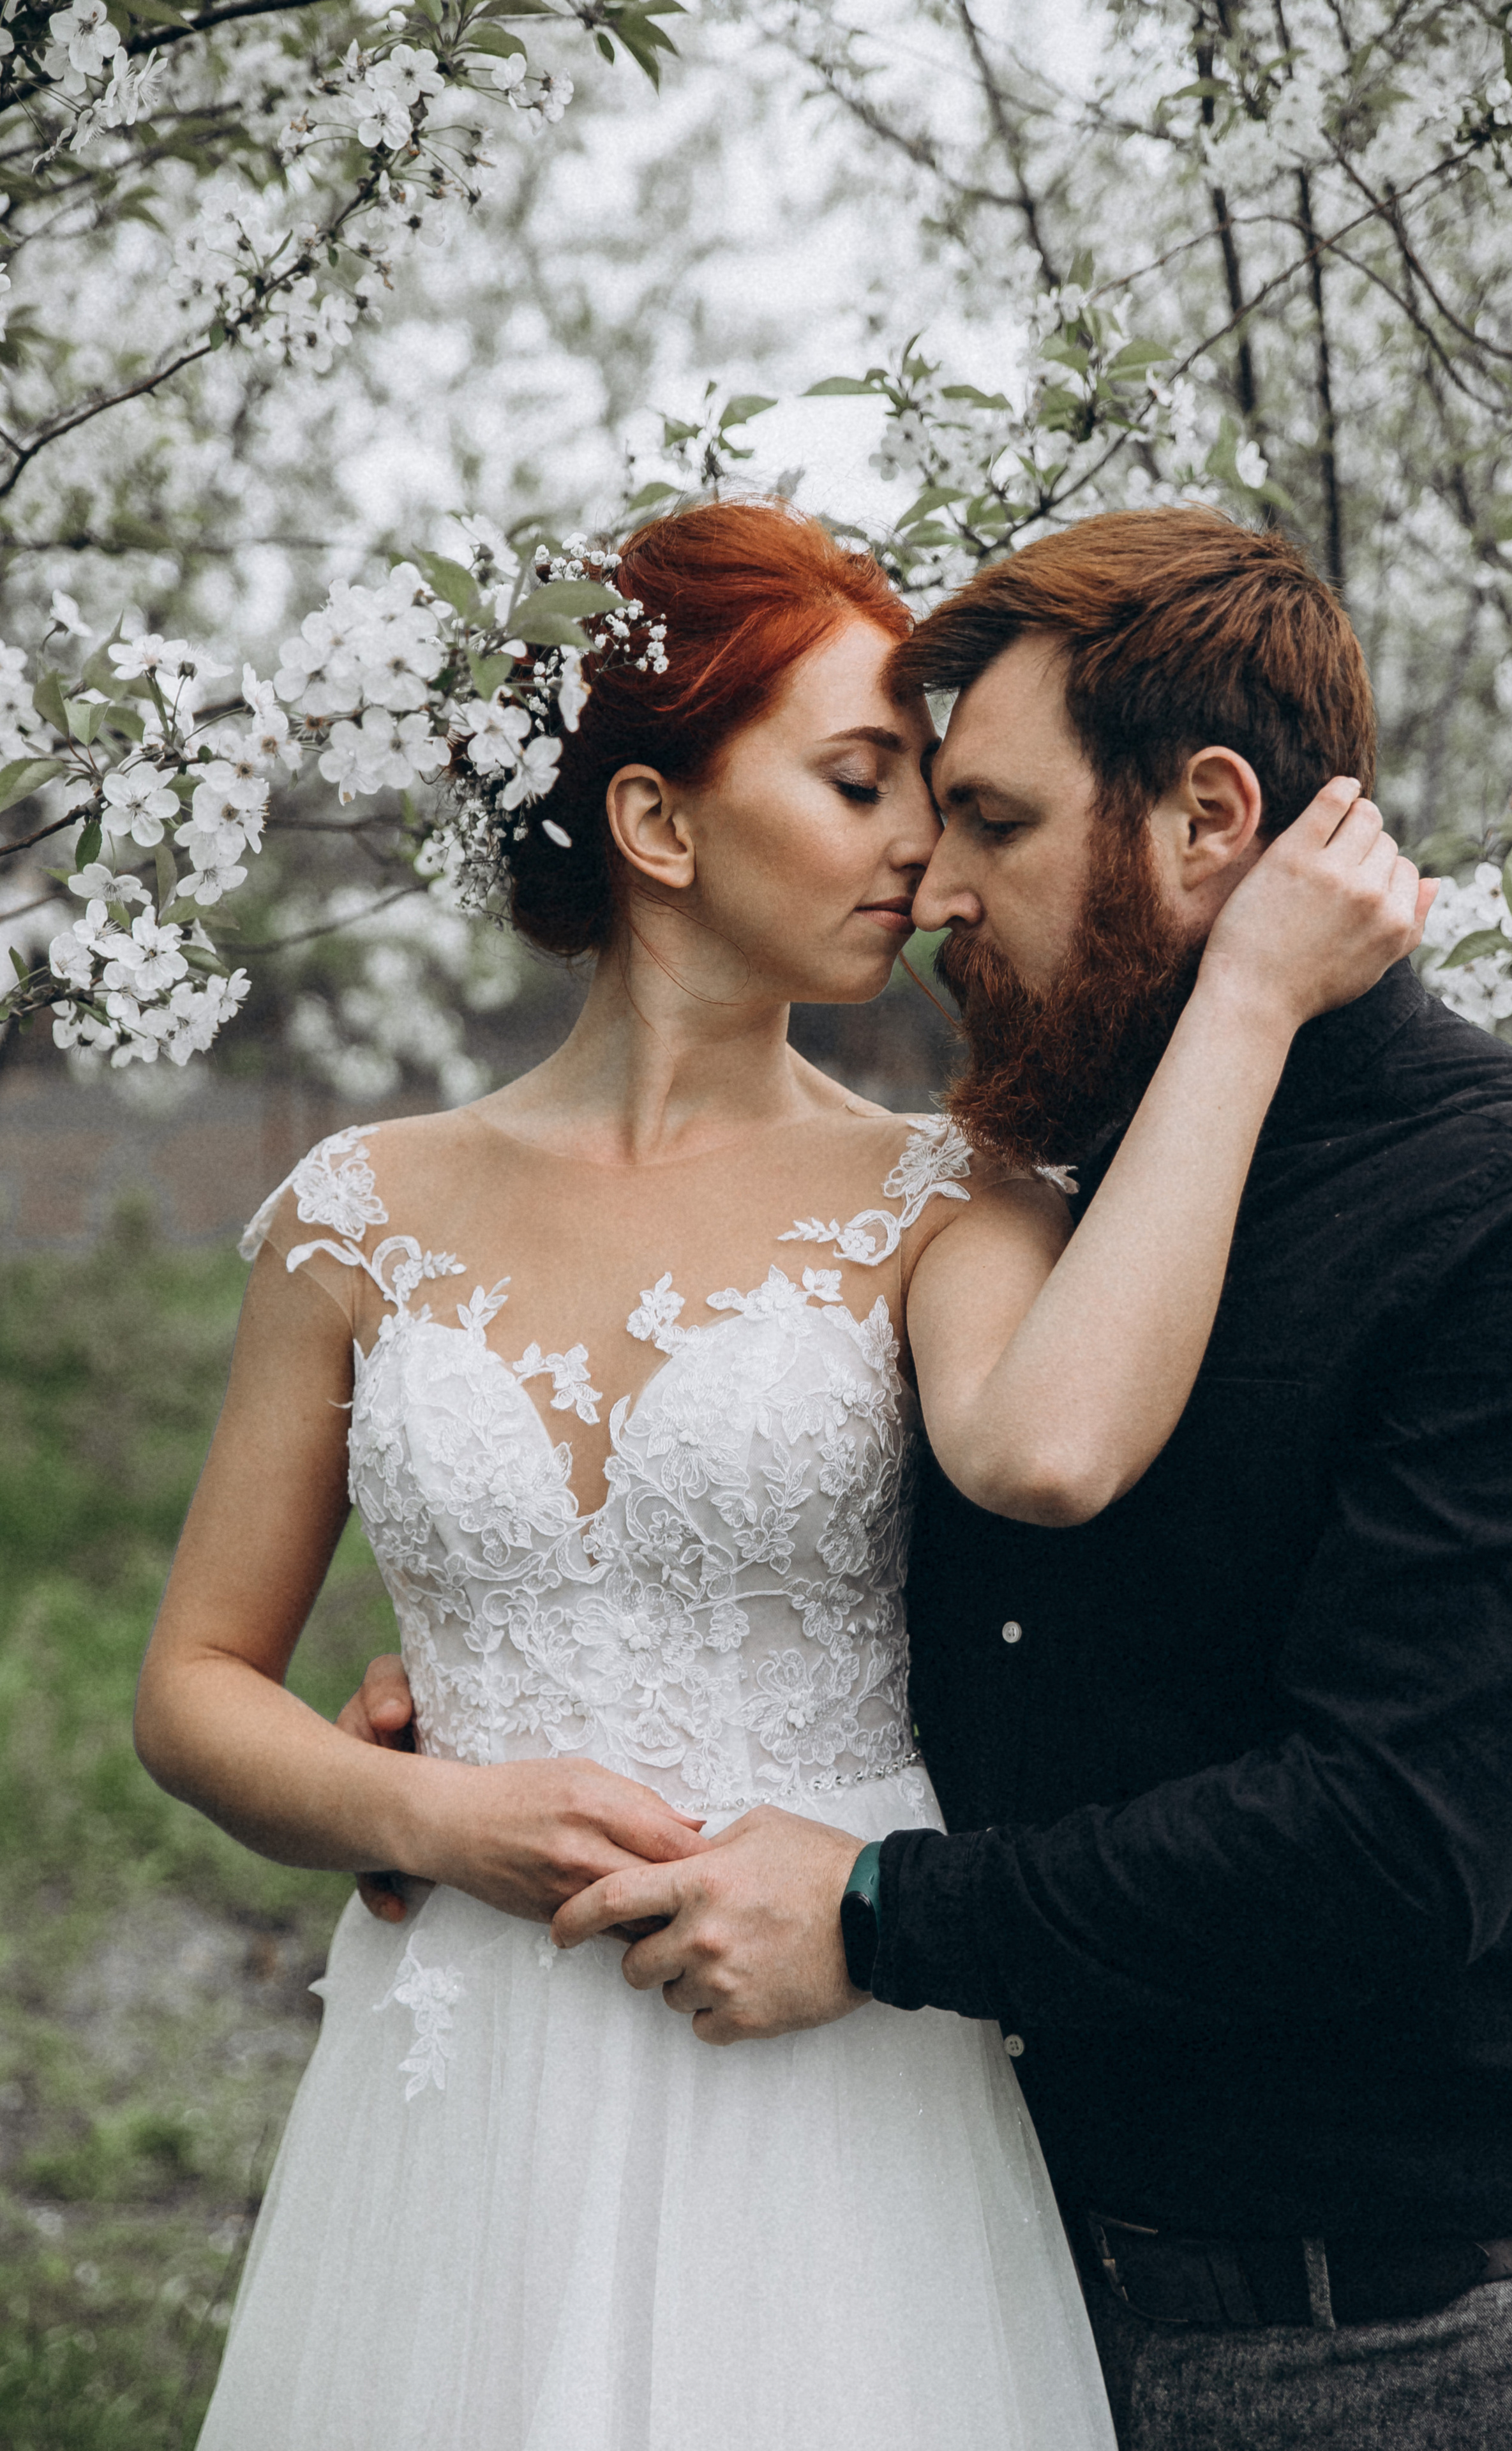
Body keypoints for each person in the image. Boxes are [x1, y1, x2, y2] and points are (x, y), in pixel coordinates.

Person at [135, 500, 1425, 2451]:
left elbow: (1047, 1450)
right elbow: (191, 1689)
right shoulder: (355, 1217)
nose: (921, 846)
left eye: (936, 792)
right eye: (859, 782)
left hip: (831, 2073)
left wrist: (1247, 995)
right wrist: (426, 1811)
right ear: (659, 828)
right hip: (462, 2072)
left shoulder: (949, 1190)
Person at [535, 507, 1512, 2451]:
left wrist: (880, 1917)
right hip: (1029, 2288)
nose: (936, 886)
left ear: (1209, 820)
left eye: (1000, 824)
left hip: (1431, 2341)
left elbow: (1389, 1846)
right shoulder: (1086, 1185)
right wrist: (508, 1707)